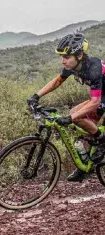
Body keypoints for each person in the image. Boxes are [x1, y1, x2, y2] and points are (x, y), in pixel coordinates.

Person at [27, 33, 105, 182]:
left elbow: (95, 102)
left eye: (66, 57)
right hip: (101, 97)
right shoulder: (73, 66)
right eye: (62, 57)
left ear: (80, 55)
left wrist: (70, 119)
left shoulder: (93, 68)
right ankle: (85, 167)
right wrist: (36, 96)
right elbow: (57, 82)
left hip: (99, 99)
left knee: (75, 116)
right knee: (83, 127)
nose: (63, 61)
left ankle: (102, 139)